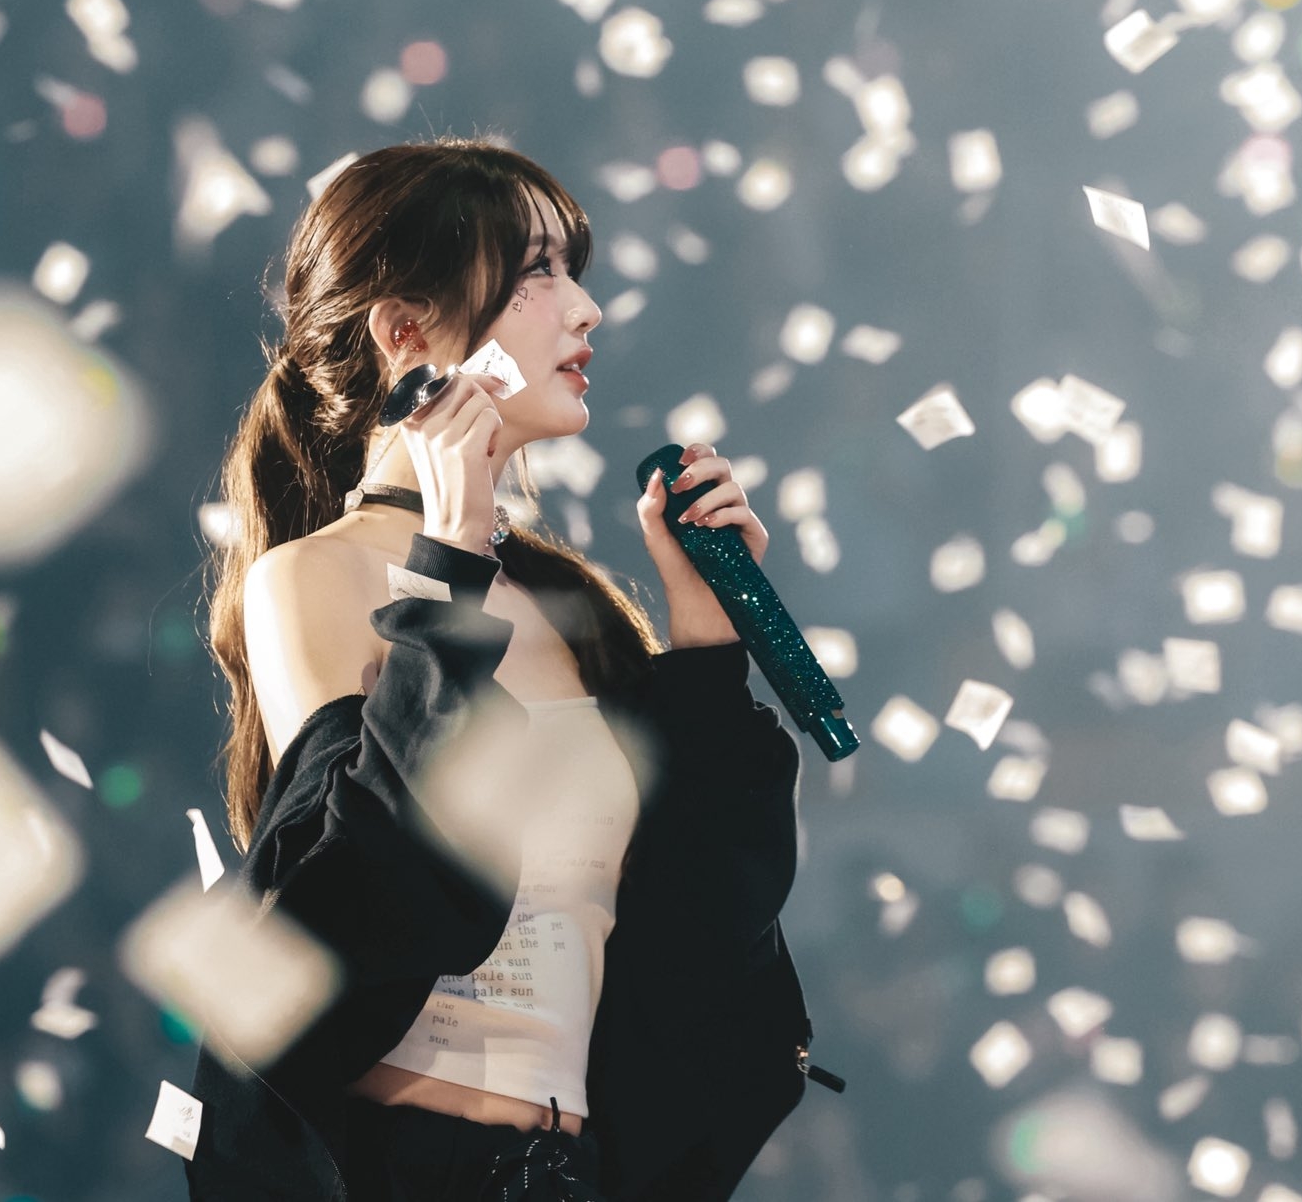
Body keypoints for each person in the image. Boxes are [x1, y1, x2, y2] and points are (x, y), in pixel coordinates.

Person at [189, 136, 834, 1202]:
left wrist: (705, 641)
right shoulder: (314, 578)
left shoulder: (573, 610)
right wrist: (446, 559)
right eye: (537, 271)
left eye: (571, 271)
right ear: (404, 330)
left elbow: (705, 929)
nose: (585, 310)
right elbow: (372, 891)